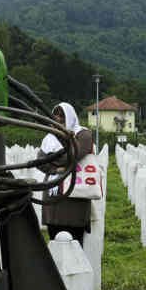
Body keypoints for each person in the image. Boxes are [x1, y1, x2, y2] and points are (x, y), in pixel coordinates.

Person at [37, 102, 94, 244]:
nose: (58, 119)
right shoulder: (49, 138)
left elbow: (73, 156)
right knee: (54, 239)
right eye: (55, 115)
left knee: (75, 243)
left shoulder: (83, 134)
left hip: (75, 195)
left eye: (62, 115)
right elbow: (39, 161)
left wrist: (52, 159)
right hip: (53, 197)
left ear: (70, 116)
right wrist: (55, 169)